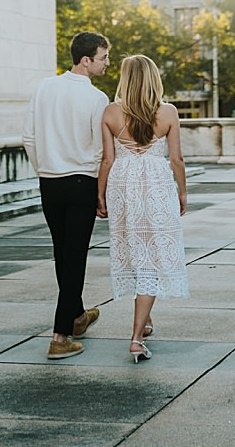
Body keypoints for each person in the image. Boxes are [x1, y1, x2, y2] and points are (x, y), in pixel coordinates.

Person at [23, 31, 111, 359]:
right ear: (86, 60)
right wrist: (101, 193)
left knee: (63, 252)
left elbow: (28, 136)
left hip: (49, 181)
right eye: (103, 57)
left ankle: (77, 315)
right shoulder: (97, 99)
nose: (107, 63)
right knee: (74, 257)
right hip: (80, 183)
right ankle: (60, 337)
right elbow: (103, 152)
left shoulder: (44, 87)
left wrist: (44, 166)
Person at [97, 53, 189, 363]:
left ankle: (145, 321)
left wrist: (100, 195)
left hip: (123, 187)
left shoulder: (110, 112)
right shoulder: (168, 112)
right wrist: (183, 192)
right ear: (153, 79)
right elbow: (176, 159)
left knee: (136, 251)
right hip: (156, 185)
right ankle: (136, 337)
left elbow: (107, 160)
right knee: (152, 255)